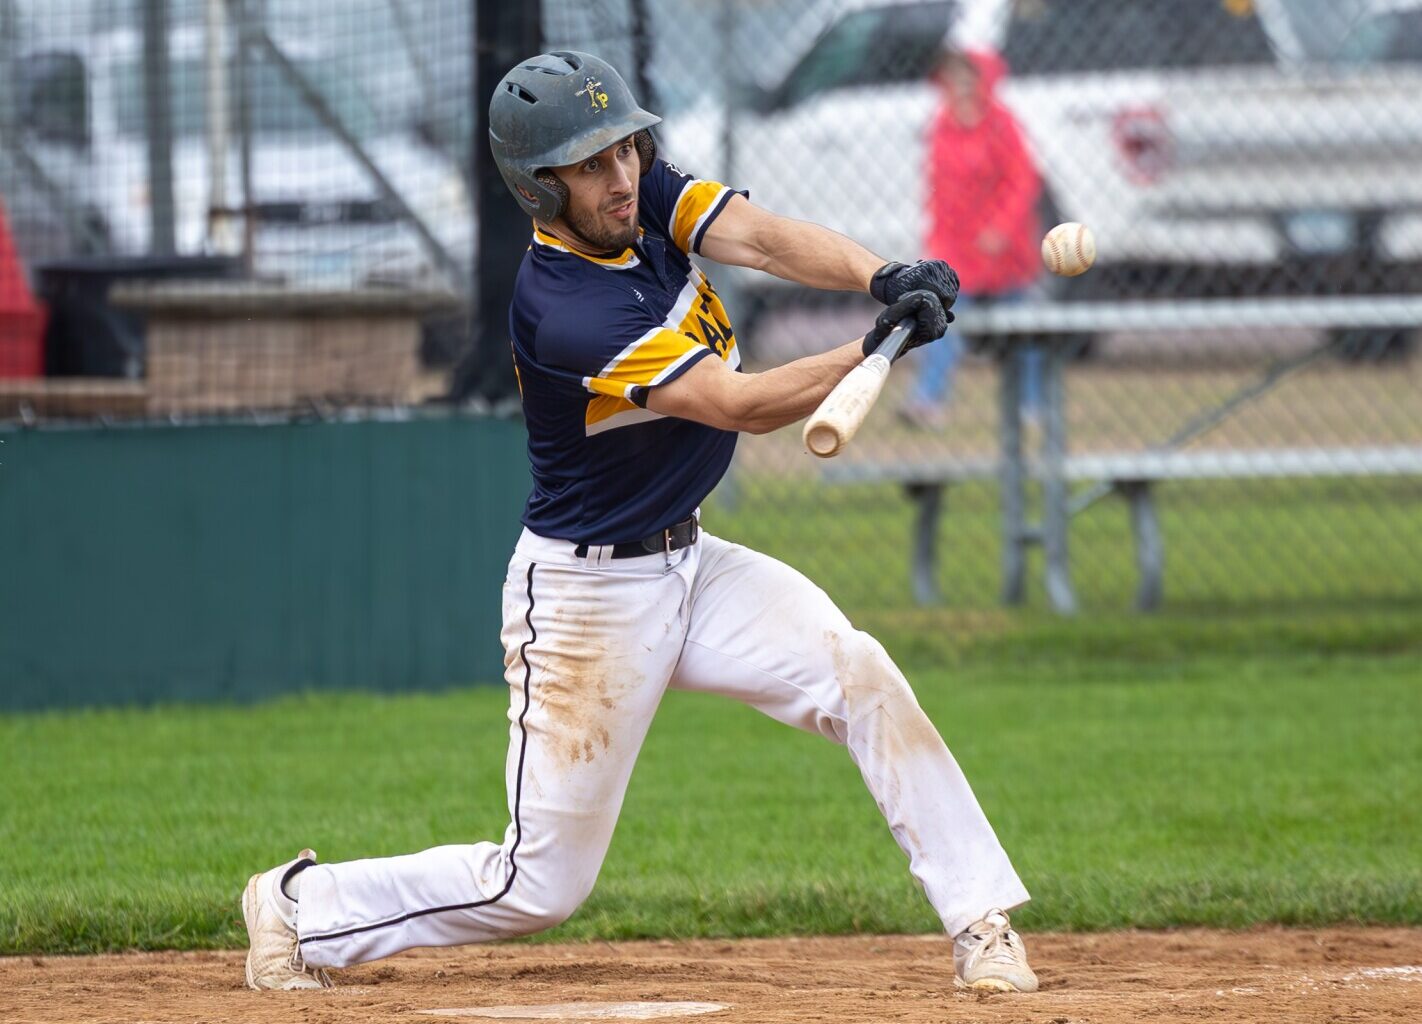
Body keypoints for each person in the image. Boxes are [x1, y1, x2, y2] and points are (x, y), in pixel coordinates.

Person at [241, 50, 1038, 996]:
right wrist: (870, 348)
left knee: (858, 670)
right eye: (590, 165)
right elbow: (736, 404)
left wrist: (884, 277)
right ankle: (300, 907)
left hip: (692, 562)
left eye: (625, 148)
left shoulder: (638, 197)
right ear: (540, 189)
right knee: (537, 885)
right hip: (587, 599)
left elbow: (766, 241)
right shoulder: (566, 308)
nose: (620, 176)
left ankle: (981, 923)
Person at [901, 47, 1044, 430]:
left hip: (1002, 249)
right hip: (957, 249)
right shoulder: (941, 125)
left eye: (968, 77)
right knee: (939, 319)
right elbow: (937, 190)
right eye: (952, 77)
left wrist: (1002, 228)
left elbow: (1022, 181)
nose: (960, 86)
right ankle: (927, 401)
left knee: (1024, 329)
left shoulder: (1002, 123)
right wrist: (936, 243)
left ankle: (1030, 405)